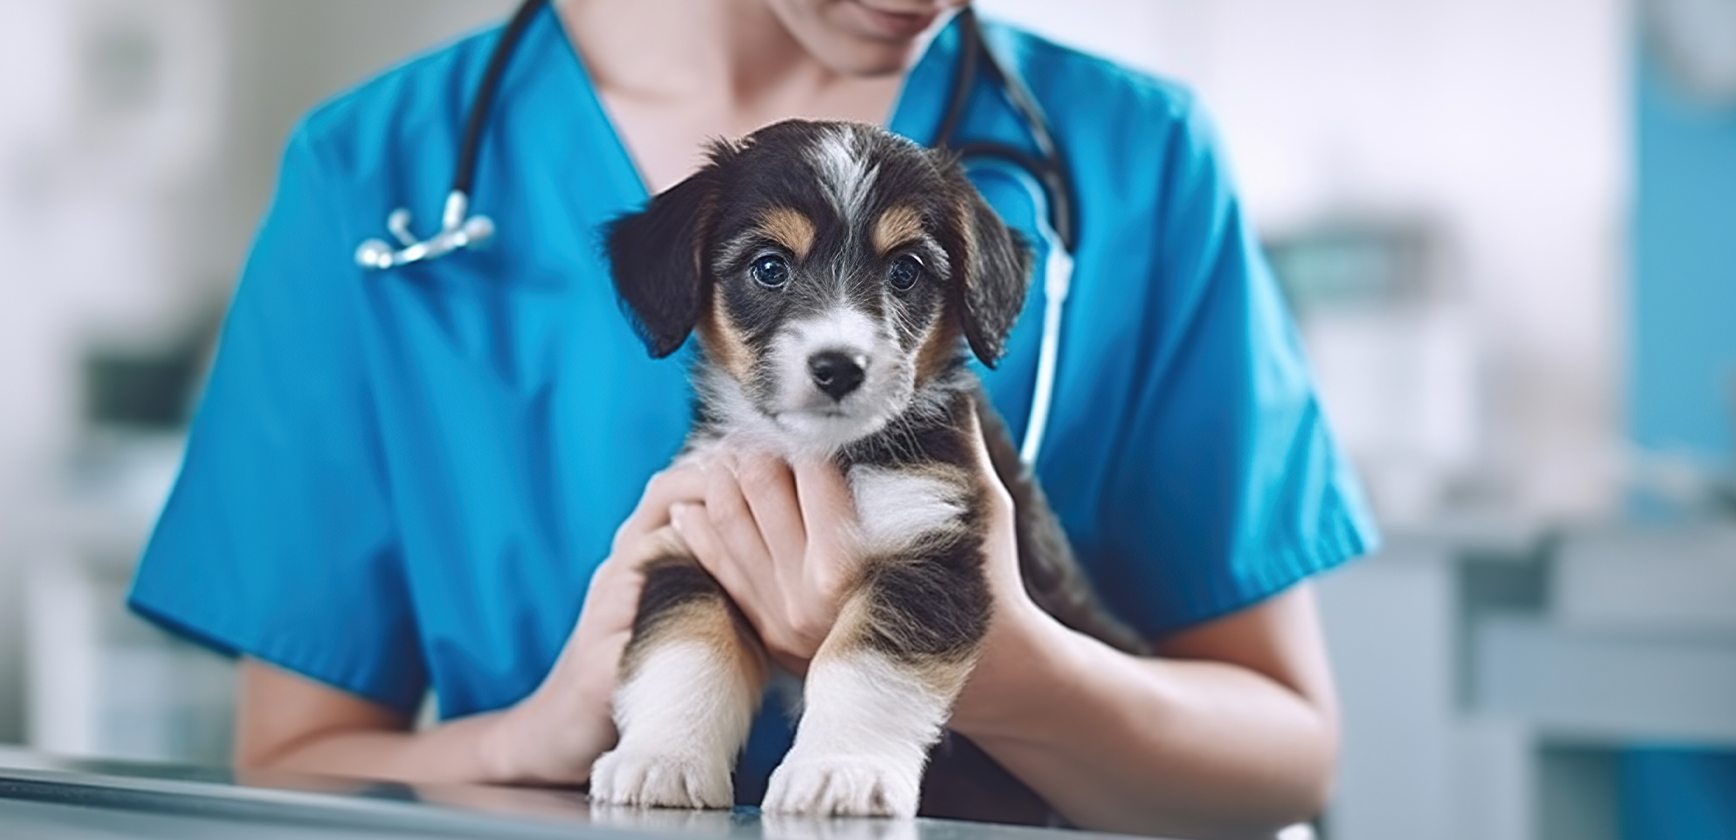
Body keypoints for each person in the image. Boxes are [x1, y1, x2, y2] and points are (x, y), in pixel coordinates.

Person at [127, 1, 1377, 837]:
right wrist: (543, 731)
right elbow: (285, 772)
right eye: (767, 270)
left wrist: (1007, 674)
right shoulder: (373, 174)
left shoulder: (1138, 155)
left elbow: (1283, 760)